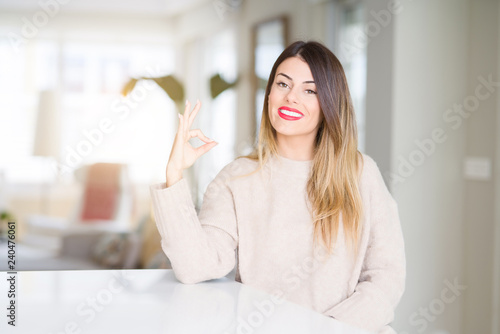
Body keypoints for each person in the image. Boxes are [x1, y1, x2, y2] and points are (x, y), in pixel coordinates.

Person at [150, 40, 405, 334]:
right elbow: (195, 266)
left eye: (310, 90)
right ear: (269, 93)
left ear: (329, 104)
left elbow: (386, 275)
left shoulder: (361, 174)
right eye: (283, 84)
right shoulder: (237, 178)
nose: (291, 98)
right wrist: (174, 174)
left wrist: (330, 328)